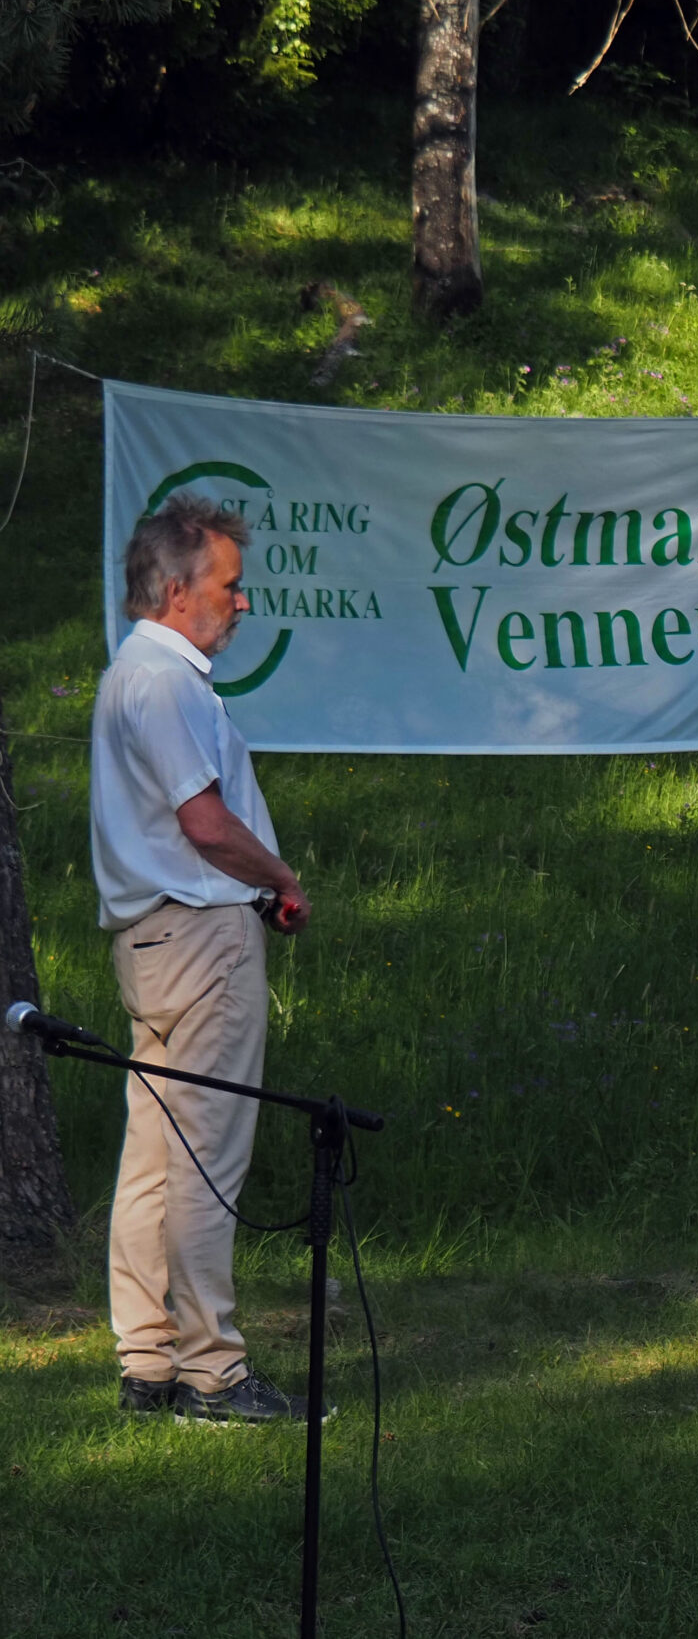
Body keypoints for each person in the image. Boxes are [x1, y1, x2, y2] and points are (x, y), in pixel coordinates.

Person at [91, 492, 312, 1424]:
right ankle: (212, 1372)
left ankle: (146, 1359)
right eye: (230, 585)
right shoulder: (168, 679)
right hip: (202, 932)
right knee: (206, 1156)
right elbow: (206, 823)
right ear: (178, 589)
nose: (242, 602)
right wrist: (281, 878)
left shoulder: (131, 675)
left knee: (153, 1152)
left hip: (150, 938)